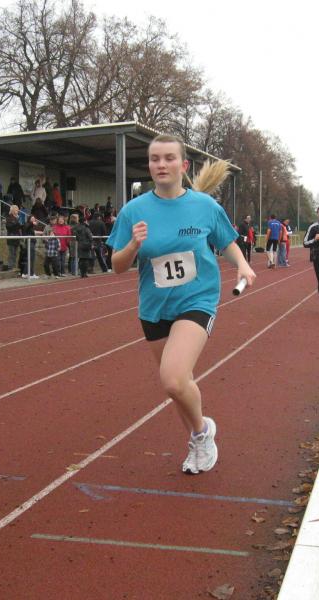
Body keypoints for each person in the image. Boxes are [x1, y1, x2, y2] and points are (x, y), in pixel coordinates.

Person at [107, 134, 255, 475]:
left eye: (169, 158)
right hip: (155, 307)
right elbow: (116, 265)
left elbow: (227, 242)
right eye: (155, 159)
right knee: (179, 385)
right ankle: (199, 436)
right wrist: (132, 246)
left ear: (183, 165)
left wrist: (242, 265)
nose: (161, 164)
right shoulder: (134, 211)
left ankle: (201, 434)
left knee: (173, 379)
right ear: (149, 166)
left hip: (197, 299)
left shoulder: (205, 206)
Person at [70, 212, 93, 277]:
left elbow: (73, 232)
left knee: (81, 259)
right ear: (84, 221)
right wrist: (91, 243)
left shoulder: (75, 228)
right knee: (86, 259)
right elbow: (90, 237)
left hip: (79, 244)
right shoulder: (86, 228)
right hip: (86, 244)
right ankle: (84, 273)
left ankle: (82, 273)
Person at [3, 204, 22, 271]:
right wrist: (17, 223)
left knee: (15, 253)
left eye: (18, 210)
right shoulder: (9, 217)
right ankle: (10, 266)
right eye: (16, 210)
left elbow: (19, 227)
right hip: (11, 238)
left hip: (17, 238)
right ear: (13, 210)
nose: (18, 211)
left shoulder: (18, 218)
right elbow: (8, 227)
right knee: (11, 253)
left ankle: (13, 266)